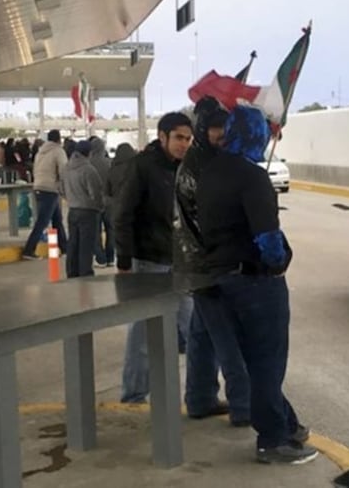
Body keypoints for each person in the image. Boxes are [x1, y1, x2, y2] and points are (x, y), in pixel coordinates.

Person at [196, 105, 316, 465]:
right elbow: (267, 237)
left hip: (218, 279)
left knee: (251, 361)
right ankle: (273, 439)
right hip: (254, 282)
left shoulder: (210, 172)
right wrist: (279, 263)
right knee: (267, 362)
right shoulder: (252, 177)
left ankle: (288, 424)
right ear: (257, 135)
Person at [174, 97, 251, 425]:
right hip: (209, 264)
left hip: (197, 263)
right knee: (228, 337)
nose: (223, 133)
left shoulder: (202, 159)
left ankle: (200, 398)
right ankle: (244, 406)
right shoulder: (204, 166)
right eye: (217, 127)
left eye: (225, 126)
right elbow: (213, 217)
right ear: (204, 128)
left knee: (202, 335)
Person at [114, 112, 194, 404]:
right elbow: (122, 214)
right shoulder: (142, 167)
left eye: (188, 138)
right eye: (178, 138)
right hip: (149, 261)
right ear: (162, 136)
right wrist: (124, 261)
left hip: (181, 263)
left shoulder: (184, 168)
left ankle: (198, 395)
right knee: (143, 334)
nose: (184, 144)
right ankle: (133, 395)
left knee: (195, 326)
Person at [59, 140, 105, 278]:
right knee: (86, 245)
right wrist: (99, 206)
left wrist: (70, 199)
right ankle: (85, 273)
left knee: (73, 243)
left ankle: (72, 272)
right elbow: (95, 193)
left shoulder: (66, 168)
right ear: (89, 153)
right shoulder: (88, 170)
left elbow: (61, 189)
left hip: (72, 210)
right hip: (88, 211)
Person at [21, 129, 68, 259]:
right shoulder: (59, 151)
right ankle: (28, 250)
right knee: (42, 222)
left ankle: (65, 248)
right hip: (50, 188)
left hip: (39, 187)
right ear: (59, 139)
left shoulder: (40, 152)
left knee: (57, 220)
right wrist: (65, 189)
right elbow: (64, 171)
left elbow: (35, 169)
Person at [86, 136, 114, 267]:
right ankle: (111, 258)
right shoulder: (110, 163)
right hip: (109, 202)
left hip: (93, 203)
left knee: (95, 231)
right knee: (111, 230)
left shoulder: (87, 163)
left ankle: (100, 258)